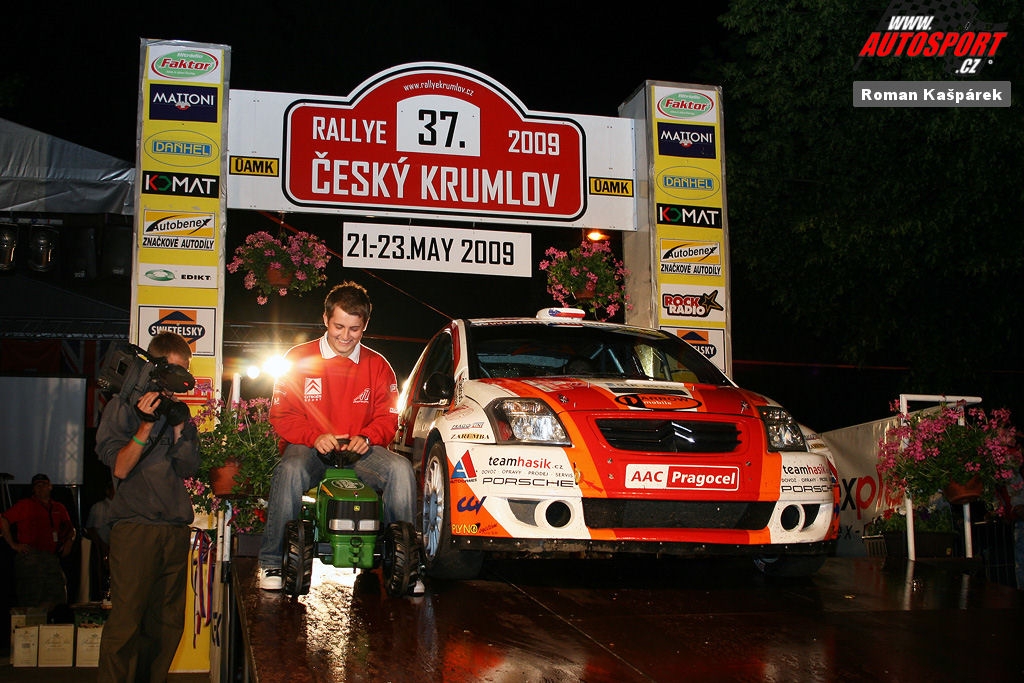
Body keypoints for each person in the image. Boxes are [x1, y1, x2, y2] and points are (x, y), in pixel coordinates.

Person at [258, 281, 419, 594]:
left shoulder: (378, 365)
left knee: (400, 469)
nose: (346, 336)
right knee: (289, 470)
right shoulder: (297, 358)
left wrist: (368, 437)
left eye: (354, 329)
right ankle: (273, 561)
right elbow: (281, 415)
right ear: (326, 319)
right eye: (339, 327)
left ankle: (406, 566)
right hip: (310, 449)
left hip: (360, 453)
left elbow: (388, 419)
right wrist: (314, 436)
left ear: (365, 325)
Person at [94, 332, 201, 683]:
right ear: (155, 367)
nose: (179, 381)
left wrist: (179, 426)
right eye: (174, 371)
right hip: (135, 528)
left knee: (167, 627)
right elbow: (120, 468)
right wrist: (145, 424)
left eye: (185, 372)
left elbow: (188, 468)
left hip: (174, 529)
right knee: (126, 625)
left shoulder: (178, 414)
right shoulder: (122, 406)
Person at [0, 473, 75, 610]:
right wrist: (13, 545)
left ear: (50, 486)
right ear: (33, 489)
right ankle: (32, 622)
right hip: (30, 556)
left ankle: (54, 621)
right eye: (37, 485)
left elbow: (70, 528)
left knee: (58, 596)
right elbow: (4, 519)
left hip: (51, 556)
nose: (41, 488)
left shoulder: (58, 507)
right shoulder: (25, 504)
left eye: (44, 484)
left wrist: (69, 541)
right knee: (32, 597)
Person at [85, 478, 116, 600]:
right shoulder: (98, 507)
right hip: (100, 547)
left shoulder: (122, 507)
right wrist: (102, 546)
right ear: (108, 491)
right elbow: (91, 529)